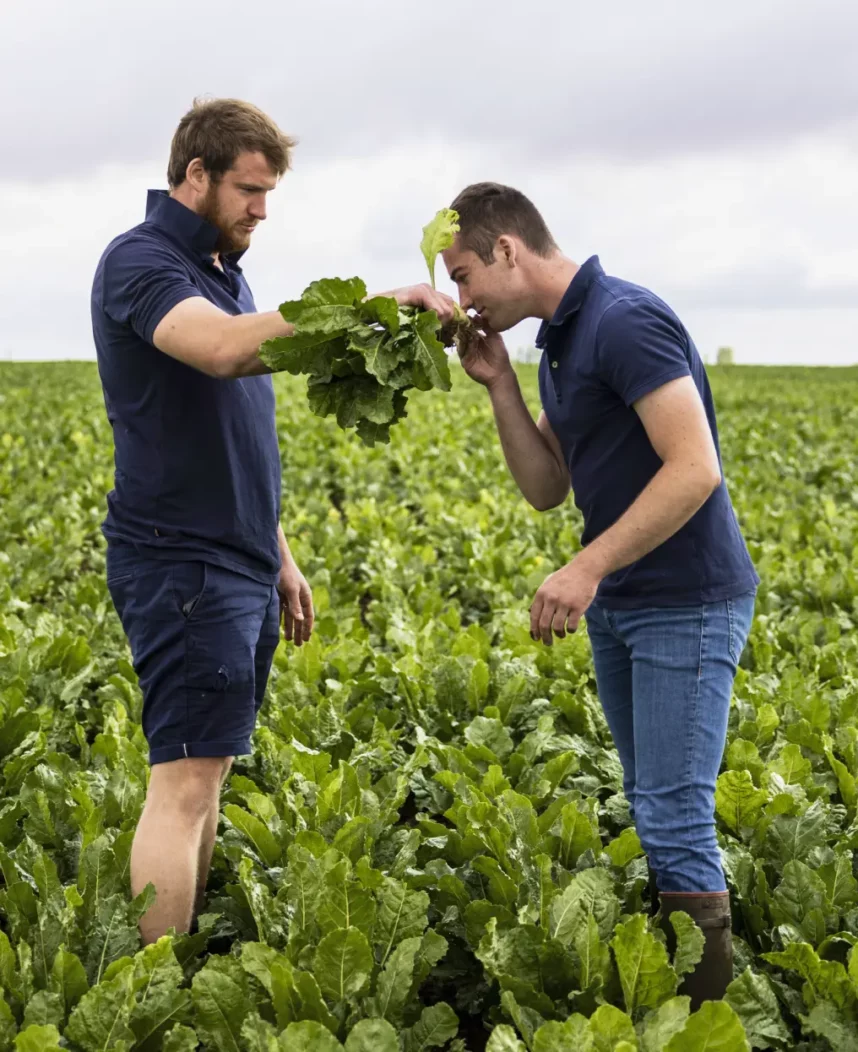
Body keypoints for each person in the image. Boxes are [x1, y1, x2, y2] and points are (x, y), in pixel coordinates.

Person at [90, 97, 455, 944]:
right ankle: (153, 992)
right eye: (249, 190)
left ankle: (177, 956)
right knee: (180, 785)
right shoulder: (140, 264)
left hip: (239, 560)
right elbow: (220, 350)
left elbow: (233, 434)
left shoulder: (223, 270)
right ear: (194, 175)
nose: (261, 208)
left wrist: (278, 553)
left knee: (207, 777)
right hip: (181, 563)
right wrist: (365, 305)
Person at [443, 182, 758, 1006]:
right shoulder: (559, 342)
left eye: (466, 274)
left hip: (686, 601)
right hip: (627, 603)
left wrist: (584, 568)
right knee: (654, 808)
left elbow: (695, 468)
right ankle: (685, 993)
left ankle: (705, 1021)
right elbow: (548, 487)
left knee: (676, 815)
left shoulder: (622, 319)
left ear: (508, 250)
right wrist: (500, 388)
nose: (462, 297)